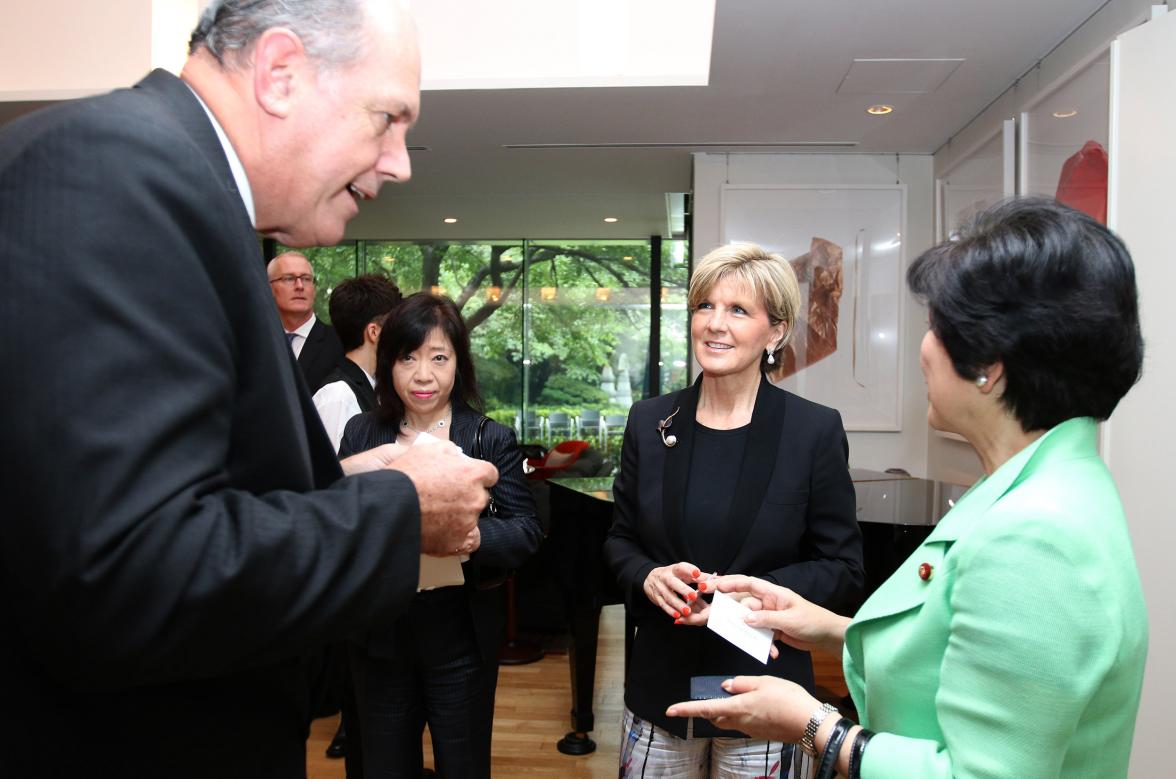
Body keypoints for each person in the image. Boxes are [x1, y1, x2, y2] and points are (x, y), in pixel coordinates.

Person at [0, 2, 498, 777]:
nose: (400, 162)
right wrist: (400, 511)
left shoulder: (190, 199)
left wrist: (349, 481)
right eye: (387, 119)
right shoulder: (118, 170)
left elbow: (187, 493)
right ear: (280, 74)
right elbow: (125, 572)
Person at [666, 198, 1148, 779]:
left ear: (987, 365)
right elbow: (962, 651)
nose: (923, 349)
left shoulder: (1036, 534)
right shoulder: (1044, 486)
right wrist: (825, 626)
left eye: (937, 326)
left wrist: (814, 725)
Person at [603, 243, 864, 777]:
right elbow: (618, 541)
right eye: (705, 306)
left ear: (776, 332)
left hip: (767, 693)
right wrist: (648, 575)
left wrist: (744, 596)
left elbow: (842, 568)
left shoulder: (813, 431)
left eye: (738, 310)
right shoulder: (649, 422)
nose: (715, 324)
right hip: (660, 692)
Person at [339, 292, 544, 777]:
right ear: (387, 363)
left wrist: (470, 539)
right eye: (407, 358)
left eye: (438, 357)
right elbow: (339, 521)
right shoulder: (362, 434)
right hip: (380, 637)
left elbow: (526, 530)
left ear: (458, 364)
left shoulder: (487, 438)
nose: (423, 375)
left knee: (464, 765)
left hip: (459, 637)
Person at [314, 273, 404, 453]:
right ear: (374, 332)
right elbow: (336, 476)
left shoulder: (375, 386)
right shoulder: (338, 396)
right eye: (396, 325)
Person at [270, 251, 347, 394]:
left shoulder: (339, 343)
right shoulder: (255, 342)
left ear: (314, 289)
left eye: (306, 279)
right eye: (289, 278)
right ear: (269, 288)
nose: (299, 285)